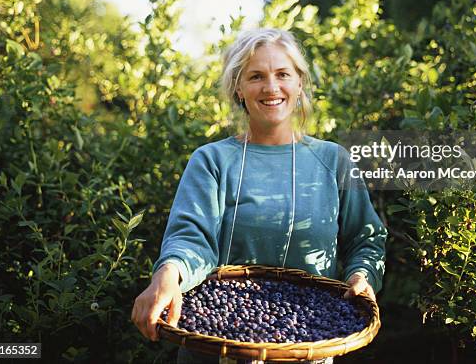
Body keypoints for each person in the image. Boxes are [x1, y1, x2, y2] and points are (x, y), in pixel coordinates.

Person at [132, 28, 387, 363]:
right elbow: (191, 237)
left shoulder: (332, 161)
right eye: (256, 76)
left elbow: (366, 238)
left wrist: (361, 275)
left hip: (306, 344)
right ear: (239, 88)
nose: (271, 87)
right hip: (217, 345)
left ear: (299, 83)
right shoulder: (212, 161)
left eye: (283, 74)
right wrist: (167, 275)